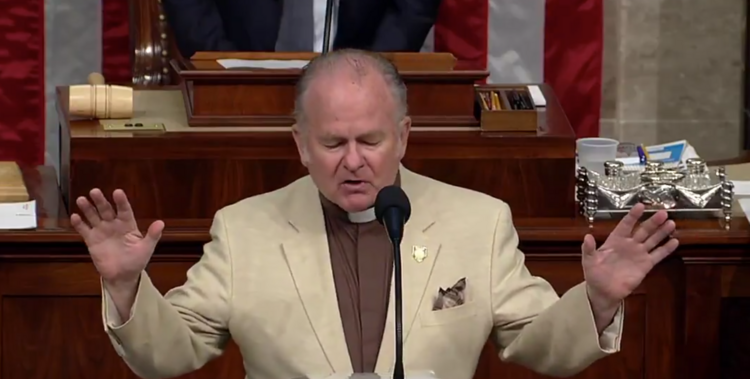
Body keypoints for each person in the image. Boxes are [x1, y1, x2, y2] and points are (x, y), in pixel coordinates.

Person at [72, 49, 680, 379]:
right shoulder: (245, 228)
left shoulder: (479, 220)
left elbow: (538, 349)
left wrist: (596, 299)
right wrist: (128, 286)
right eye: (334, 144)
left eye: (372, 140)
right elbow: (168, 356)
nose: (354, 162)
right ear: (301, 146)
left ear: (405, 137)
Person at [162, 0, 442, 58]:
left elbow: (412, 9)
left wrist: (367, 69)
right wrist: (234, 68)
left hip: (360, 90)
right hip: (239, 95)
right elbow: (191, 10)